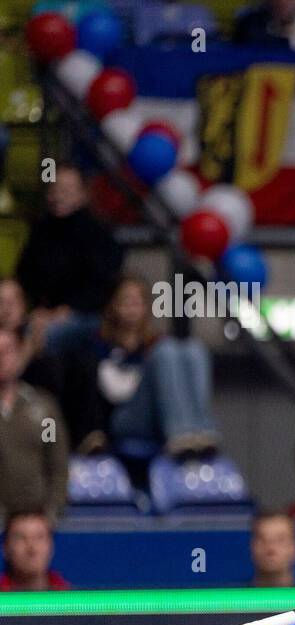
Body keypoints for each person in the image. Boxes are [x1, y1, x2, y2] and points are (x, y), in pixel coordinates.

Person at [59, 275, 220, 460]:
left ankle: (201, 430)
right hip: (121, 419)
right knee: (165, 351)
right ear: (112, 306)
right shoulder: (96, 342)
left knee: (193, 349)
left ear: (146, 307)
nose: (131, 309)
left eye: (137, 303)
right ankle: (181, 433)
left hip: (156, 415)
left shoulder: (153, 342)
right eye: (125, 302)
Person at [16, 165, 123, 353]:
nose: (59, 196)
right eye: (54, 189)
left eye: (67, 190)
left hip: (88, 316)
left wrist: (67, 310)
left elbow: (103, 285)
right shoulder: (40, 230)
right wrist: (39, 310)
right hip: (43, 315)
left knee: (46, 335)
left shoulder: (98, 233)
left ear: (83, 194)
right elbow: (25, 277)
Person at [0, 326, 67, 524]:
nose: (2, 358)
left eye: (8, 351)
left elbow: (57, 463)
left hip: (35, 521)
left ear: (20, 354)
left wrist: (52, 509)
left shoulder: (43, 409)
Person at [0, 511, 70, 591]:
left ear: (51, 545)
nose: (32, 548)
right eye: (21, 538)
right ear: (5, 548)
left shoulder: (71, 599)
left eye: (39, 537)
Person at [250, 511, 295, 587]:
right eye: (262, 539)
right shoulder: (233, 598)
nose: (271, 548)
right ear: (252, 547)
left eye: (280, 540)